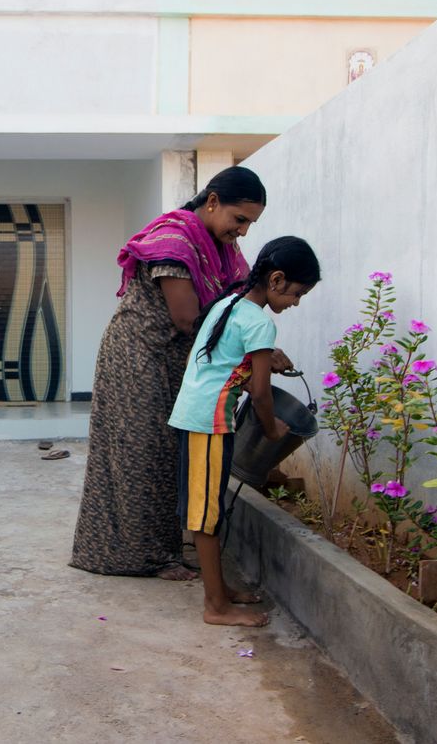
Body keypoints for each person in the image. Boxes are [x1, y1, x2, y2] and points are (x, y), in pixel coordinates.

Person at [71, 167, 289, 579]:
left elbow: (240, 304)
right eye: (239, 219)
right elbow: (189, 318)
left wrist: (264, 346)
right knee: (141, 455)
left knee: (169, 454)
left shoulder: (222, 249)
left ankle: (161, 550)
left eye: (250, 224)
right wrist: (257, 350)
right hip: (137, 358)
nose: (242, 231)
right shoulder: (174, 241)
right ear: (211, 202)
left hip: (178, 361)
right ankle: (141, 557)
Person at [169, 236, 321, 626]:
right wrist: (271, 431)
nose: (297, 303)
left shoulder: (232, 302)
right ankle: (215, 607)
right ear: (277, 280)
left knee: (211, 510)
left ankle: (220, 591)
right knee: (206, 515)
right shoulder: (259, 322)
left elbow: (228, 357)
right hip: (209, 421)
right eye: (297, 293)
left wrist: (266, 359)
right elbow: (260, 394)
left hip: (201, 415)